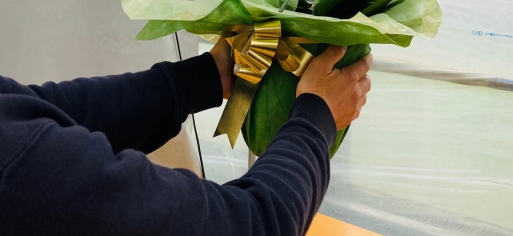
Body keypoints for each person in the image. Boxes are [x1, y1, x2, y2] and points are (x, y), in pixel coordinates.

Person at [0, 38, 372, 235]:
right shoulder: (24, 176)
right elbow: (251, 225)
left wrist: (201, 78)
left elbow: (38, 106)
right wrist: (316, 117)